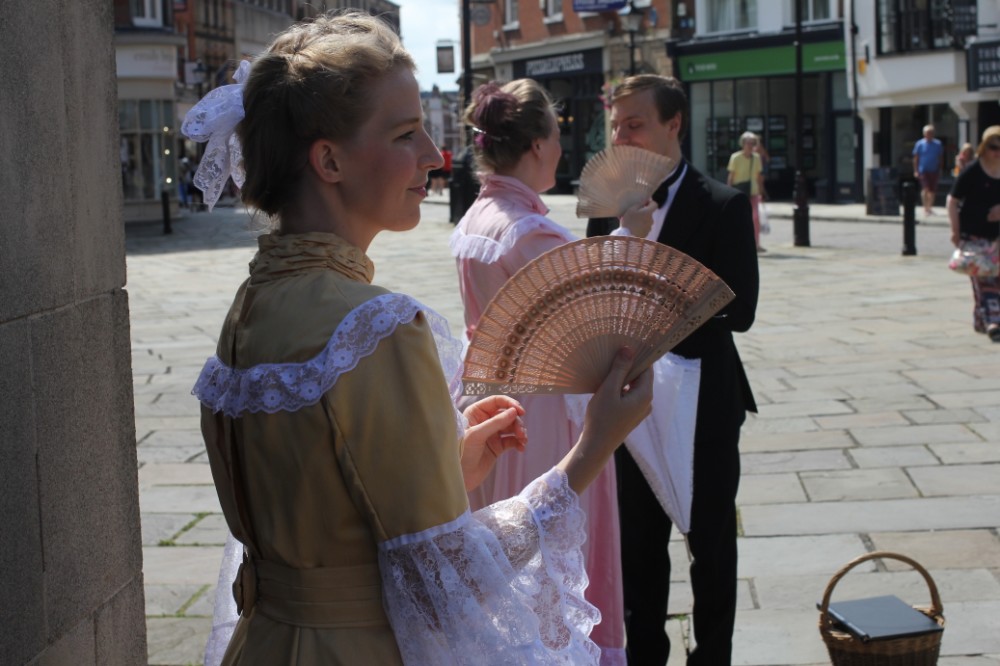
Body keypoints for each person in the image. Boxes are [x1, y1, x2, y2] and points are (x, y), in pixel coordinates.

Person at [182, 12, 654, 666]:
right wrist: (594, 444)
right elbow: (447, 587)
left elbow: (321, 519)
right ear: (329, 160)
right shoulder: (372, 328)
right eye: (406, 134)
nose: (434, 156)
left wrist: (448, 466)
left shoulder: (251, 305)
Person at [450, 78, 656, 666]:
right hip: (538, 410)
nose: (562, 150)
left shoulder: (477, 217)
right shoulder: (529, 231)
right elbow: (596, 308)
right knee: (550, 535)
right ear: (538, 145)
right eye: (557, 136)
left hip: (485, 398)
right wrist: (631, 234)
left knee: (503, 540)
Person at [587, 74, 759, 665]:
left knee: (711, 546)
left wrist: (659, 299)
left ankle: (712, 657)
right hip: (627, 404)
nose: (620, 137)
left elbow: (741, 311)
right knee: (637, 550)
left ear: (673, 124)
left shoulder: (723, 204)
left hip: (704, 399)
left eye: (634, 124)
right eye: (615, 125)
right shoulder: (606, 207)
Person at [946, 125, 1000, 342]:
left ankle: (981, 320)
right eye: (994, 147)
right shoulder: (972, 171)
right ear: (984, 148)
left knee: (993, 280)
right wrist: (955, 230)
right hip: (974, 235)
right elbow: (952, 200)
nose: (998, 152)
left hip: (997, 237)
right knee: (985, 279)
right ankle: (994, 322)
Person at [727, 131, 766, 253]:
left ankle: (756, 244)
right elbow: (731, 176)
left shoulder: (756, 158)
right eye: (748, 143)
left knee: (755, 217)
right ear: (742, 143)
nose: (750, 145)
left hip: (753, 191)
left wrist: (761, 191)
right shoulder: (735, 157)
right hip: (739, 192)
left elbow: (758, 176)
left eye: (752, 143)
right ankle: (737, 242)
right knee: (738, 218)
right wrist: (728, 192)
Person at [913, 123, 944, 216]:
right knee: (925, 188)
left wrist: (940, 169)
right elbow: (916, 158)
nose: (929, 134)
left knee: (932, 190)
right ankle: (925, 207)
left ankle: (929, 207)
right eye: (927, 133)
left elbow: (940, 157)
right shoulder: (919, 144)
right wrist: (916, 170)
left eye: (931, 132)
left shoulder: (938, 144)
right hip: (923, 169)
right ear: (924, 134)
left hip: (934, 169)